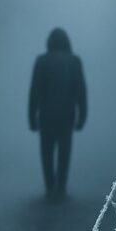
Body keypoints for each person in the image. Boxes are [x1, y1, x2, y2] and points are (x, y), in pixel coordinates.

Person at [28, 27, 87, 199]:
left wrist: (31, 117)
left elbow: (35, 91)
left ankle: (49, 186)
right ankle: (61, 187)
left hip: (46, 115)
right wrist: (82, 116)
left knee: (46, 152)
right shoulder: (74, 61)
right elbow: (81, 91)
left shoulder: (41, 61)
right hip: (66, 115)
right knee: (64, 152)